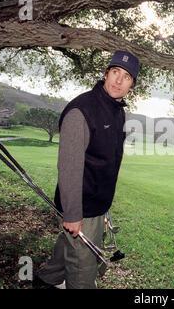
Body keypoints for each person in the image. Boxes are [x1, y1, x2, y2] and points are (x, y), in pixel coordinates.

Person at [35, 50, 140, 289]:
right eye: (115, 72)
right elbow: (69, 167)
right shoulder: (81, 111)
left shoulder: (117, 111)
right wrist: (72, 214)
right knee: (84, 271)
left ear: (131, 84)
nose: (118, 80)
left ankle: (46, 280)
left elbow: (108, 161)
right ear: (105, 74)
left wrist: (104, 207)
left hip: (96, 203)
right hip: (81, 206)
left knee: (70, 246)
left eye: (126, 77)